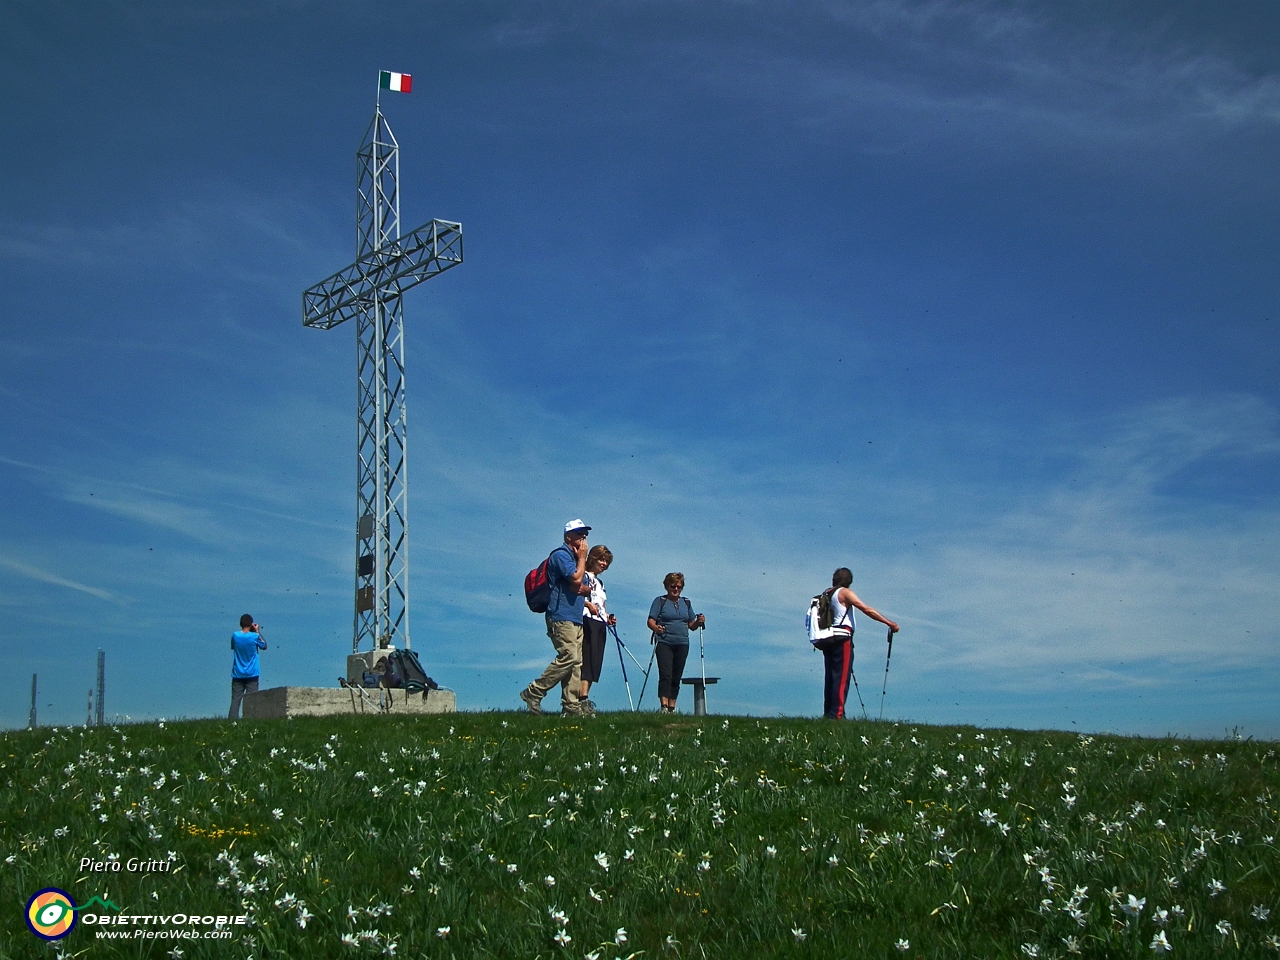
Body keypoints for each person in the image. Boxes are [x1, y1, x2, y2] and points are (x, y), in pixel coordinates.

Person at [521, 520, 592, 716]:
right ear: (568, 536)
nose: (583, 538)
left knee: (576, 662)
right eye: (579, 534)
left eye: (585, 534)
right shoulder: (561, 556)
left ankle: (571, 706)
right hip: (561, 616)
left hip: (575, 617)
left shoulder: (575, 559)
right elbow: (576, 579)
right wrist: (583, 559)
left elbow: (579, 586)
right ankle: (534, 692)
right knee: (568, 656)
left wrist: (583, 588)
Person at [822, 567, 899, 719]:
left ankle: (828, 713)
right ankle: (837, 714)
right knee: (842, 676)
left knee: (831, 676)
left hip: (829, 637)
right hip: (843, 637)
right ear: (849, 582)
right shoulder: (844, 593)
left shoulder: (828, 593)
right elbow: (866, 609)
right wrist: (889, 623)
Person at [647, 573, 704, 714]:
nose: (676, 589)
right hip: (664, 641)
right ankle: (664, 706)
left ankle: (672, 707)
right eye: (673, 586)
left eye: (679, 587)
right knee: (665, 674)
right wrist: (656, 628)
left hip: (682, 643)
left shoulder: (686, 603)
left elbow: (691, 625)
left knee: (676, 675)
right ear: (667, 586)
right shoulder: (660, 601)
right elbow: (650, 620)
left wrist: (698, 621)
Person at [579, 545, 616, 712]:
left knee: (595, 660)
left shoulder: (600, 582)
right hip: (586, 619)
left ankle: (584, 697)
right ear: (593, 558)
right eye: (601, 559)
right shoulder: (583, 576)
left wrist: (608, 617)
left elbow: (602, 605)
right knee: (586, 658)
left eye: (607, 561)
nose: (604, 563)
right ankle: (582, 698)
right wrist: (587, 604)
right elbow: (574, 595)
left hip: (599, 622)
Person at [229, 614, 268, 719]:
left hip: (238, 673)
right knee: (252, 700)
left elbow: (233, 647)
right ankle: (250, 719)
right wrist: (257, 631)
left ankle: (232, 720)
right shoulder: (254, 636)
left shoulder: (235, 636)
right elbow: (264, 646)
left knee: (235, 700)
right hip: (252, 673)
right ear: (251, 624)